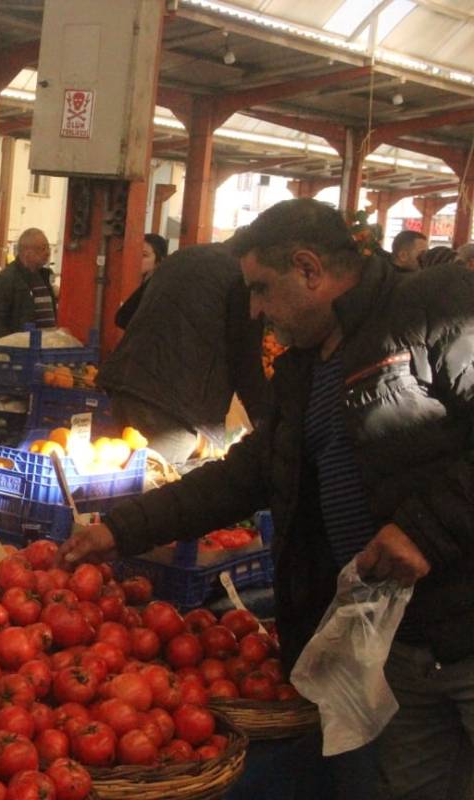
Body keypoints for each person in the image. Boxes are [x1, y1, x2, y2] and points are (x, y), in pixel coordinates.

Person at [62, 198, 474, 799]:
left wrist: (425, 531)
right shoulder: (305, 365)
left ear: (309, 269)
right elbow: (248, 473)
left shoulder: (435, 307)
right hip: (400, 643)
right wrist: (121, 529)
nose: (254, 309)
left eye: (260, 289)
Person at [95, 242, 268, 462]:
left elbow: (124, 316)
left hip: (124, 387)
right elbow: (246, 366)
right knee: (160, 478)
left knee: (127, 475)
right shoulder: (245, 277)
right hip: (172, 407)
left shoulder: (183, 257)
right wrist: (269, 429)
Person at [0, 228, 57, 340]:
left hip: (45, 346)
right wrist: (12, 345)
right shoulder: (6, 281)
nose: (48, 253)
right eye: (43, 248)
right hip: (20, 348)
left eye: (48, 248)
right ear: (26, 252)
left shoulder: (44, 277)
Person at [115, 233, 168, 329]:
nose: (136, 259)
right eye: (133, 254)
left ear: (159, 261)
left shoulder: (159, 291)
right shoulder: (124, 282)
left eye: (144, 255)